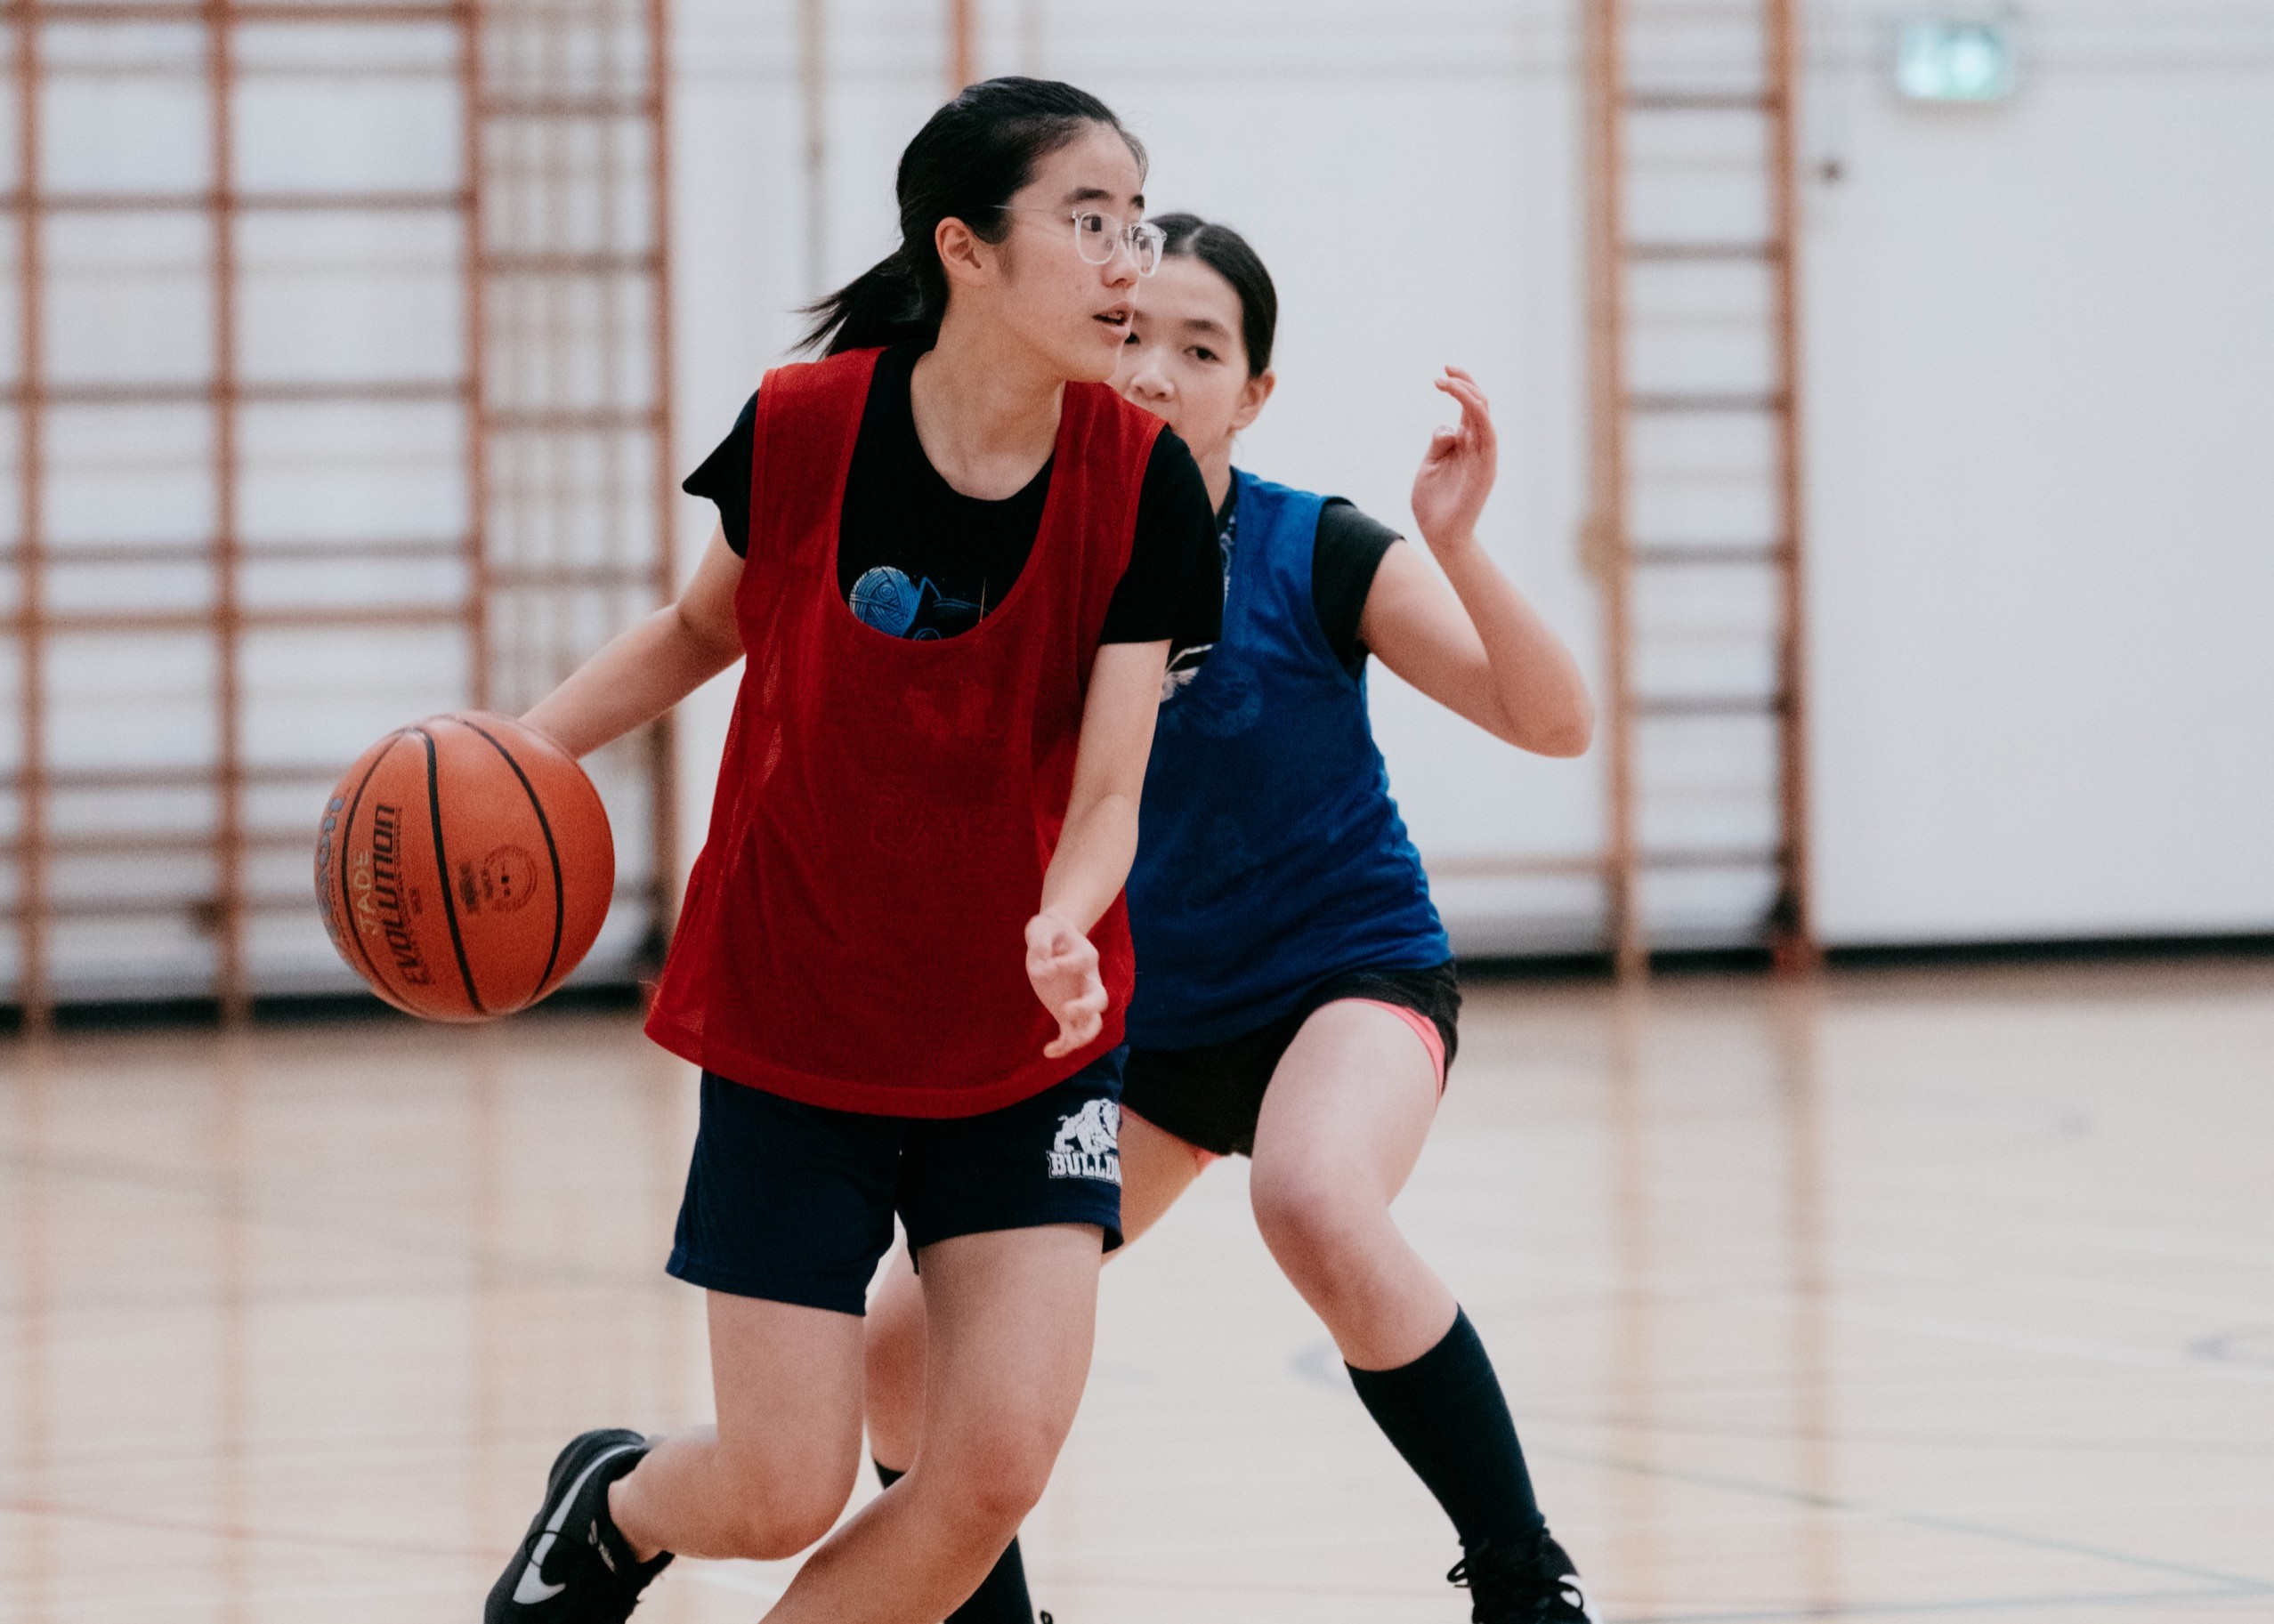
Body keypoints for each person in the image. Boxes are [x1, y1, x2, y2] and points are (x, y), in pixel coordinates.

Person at [482, 82, 1221, 1624]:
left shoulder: (1142, 481)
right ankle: (608, 1508)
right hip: (795, 1002)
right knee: (778, 1486)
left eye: (1134, 224)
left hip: (1021, 1033)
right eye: (1087, 221)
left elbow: (1106, 795)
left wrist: (1070, 923)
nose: (1126, 264)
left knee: (994, 1465)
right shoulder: (808, 427)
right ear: (964, 248)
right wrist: (517, 758)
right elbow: (700, 628)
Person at [863, 215, 1599, 1624]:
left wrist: (1454, 541)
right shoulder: (1027, 569)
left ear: (1252, 393)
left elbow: (1553, 721)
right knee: (905, 1347)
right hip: (1143, 1033)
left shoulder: (1317, 552)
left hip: (1347, 977)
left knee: (1314, 1193)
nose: (1155, 370)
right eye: (1132, 333)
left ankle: (1524, 1579)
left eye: (1200, 348)